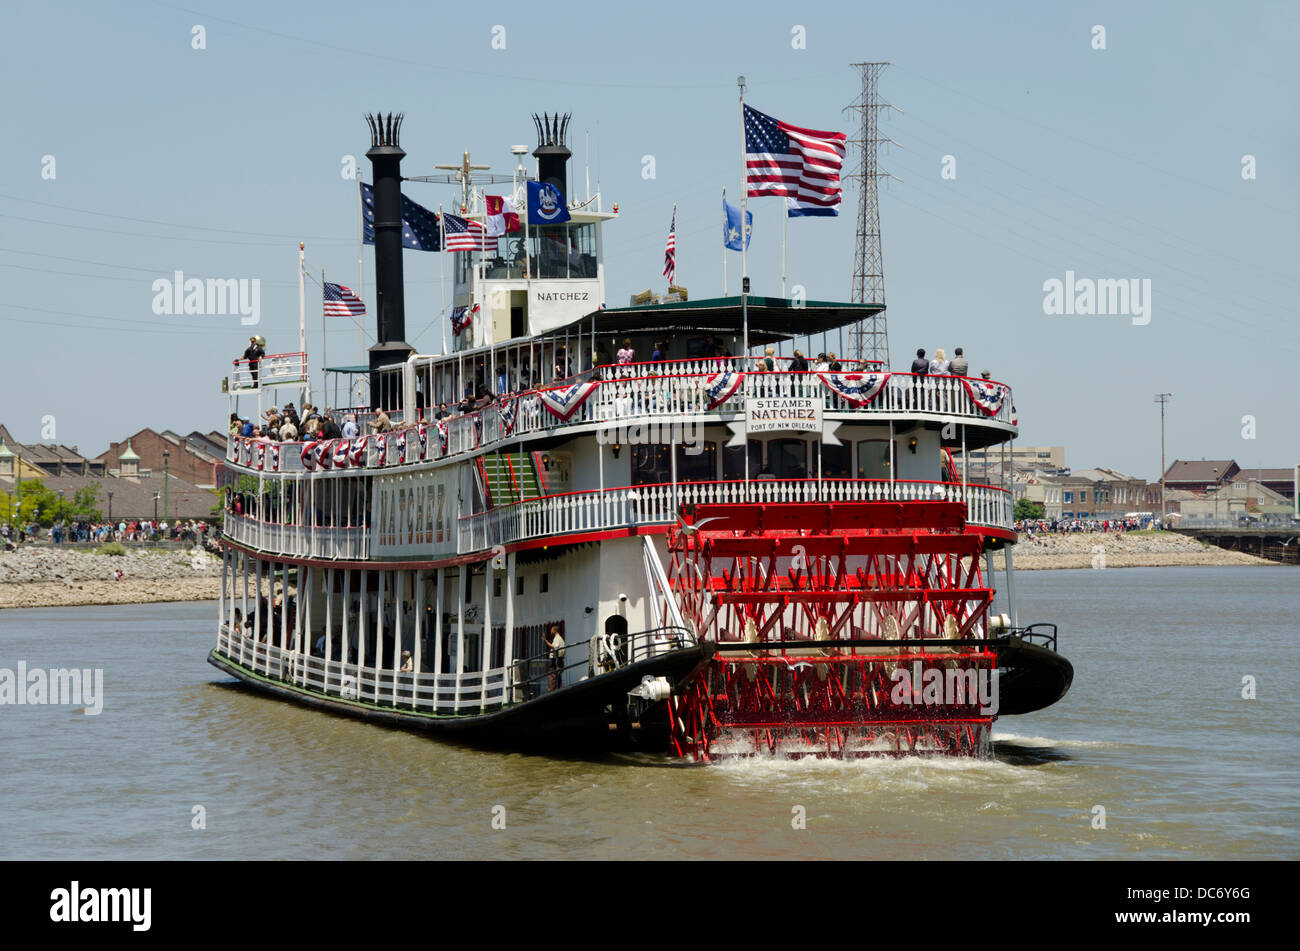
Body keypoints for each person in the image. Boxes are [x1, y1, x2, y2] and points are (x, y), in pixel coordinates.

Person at [543, 624, 565, 692]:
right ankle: (559, 689)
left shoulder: (557, 638)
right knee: (557, 675)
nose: (550, 631)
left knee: (552, 675)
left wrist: (545, 641)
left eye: (551, 630)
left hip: (555, 659)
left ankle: (551, 691)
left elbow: (554, 647)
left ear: (555, 631)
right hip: (558, 659)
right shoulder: (559, 638)